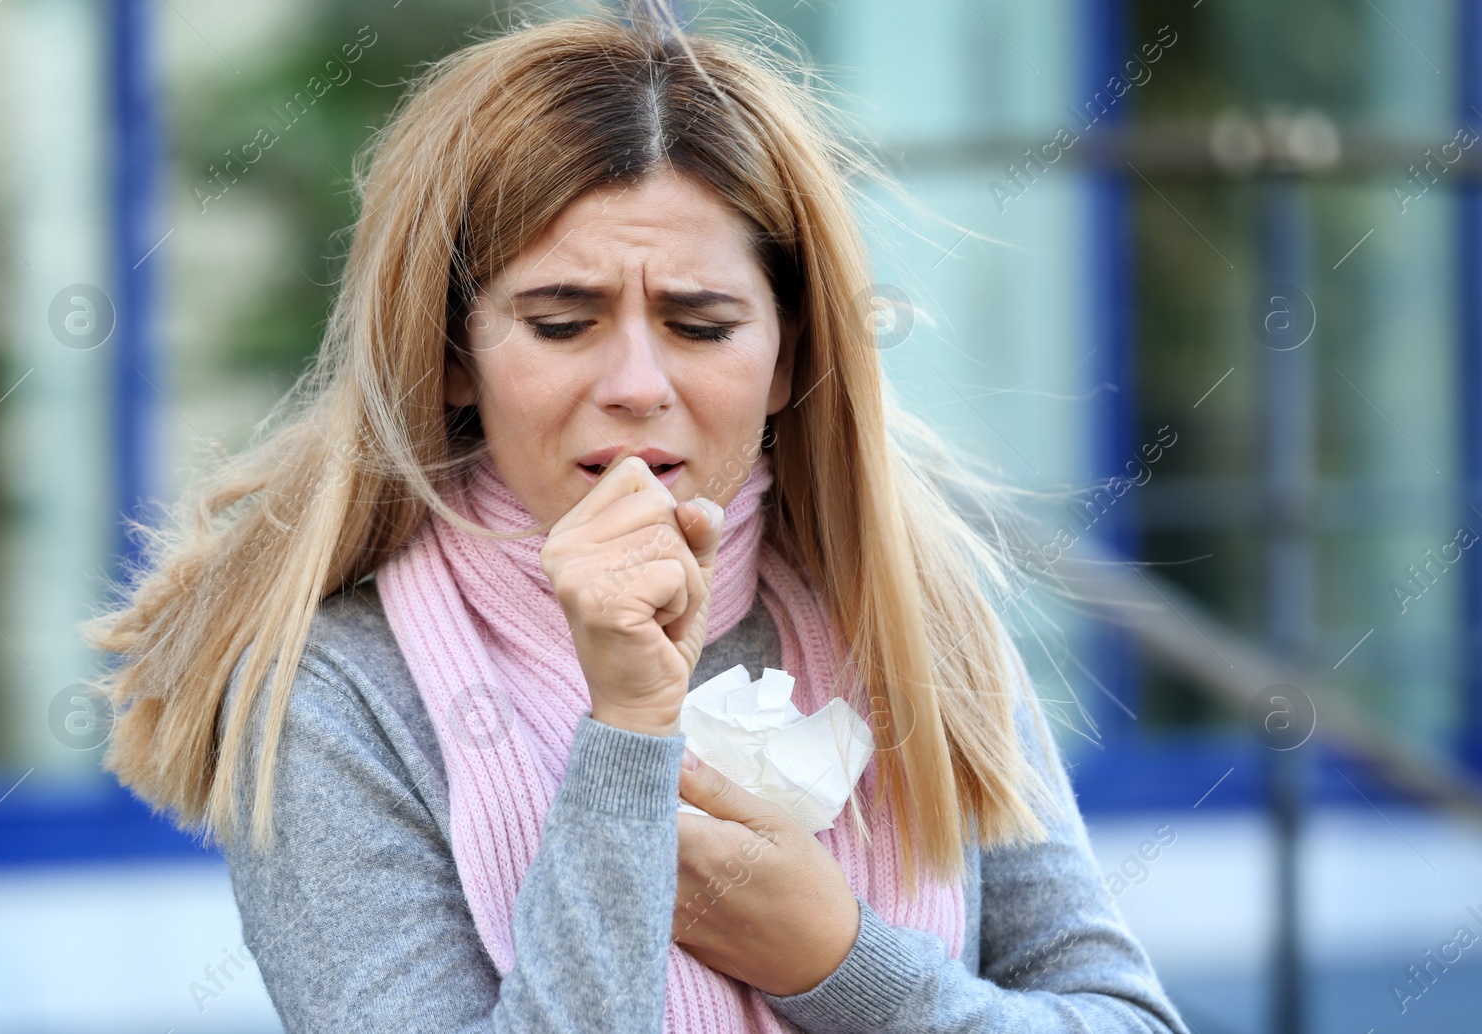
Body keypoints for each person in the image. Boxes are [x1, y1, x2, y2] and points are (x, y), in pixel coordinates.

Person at [82, 6, 1193, 1032]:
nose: (635, 382)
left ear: (788, 357)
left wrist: (837, 957)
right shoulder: (333, 689)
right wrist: (626, 724)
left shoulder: (906, 613)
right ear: (452, 356)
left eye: (701, 325)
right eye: (562, 323)